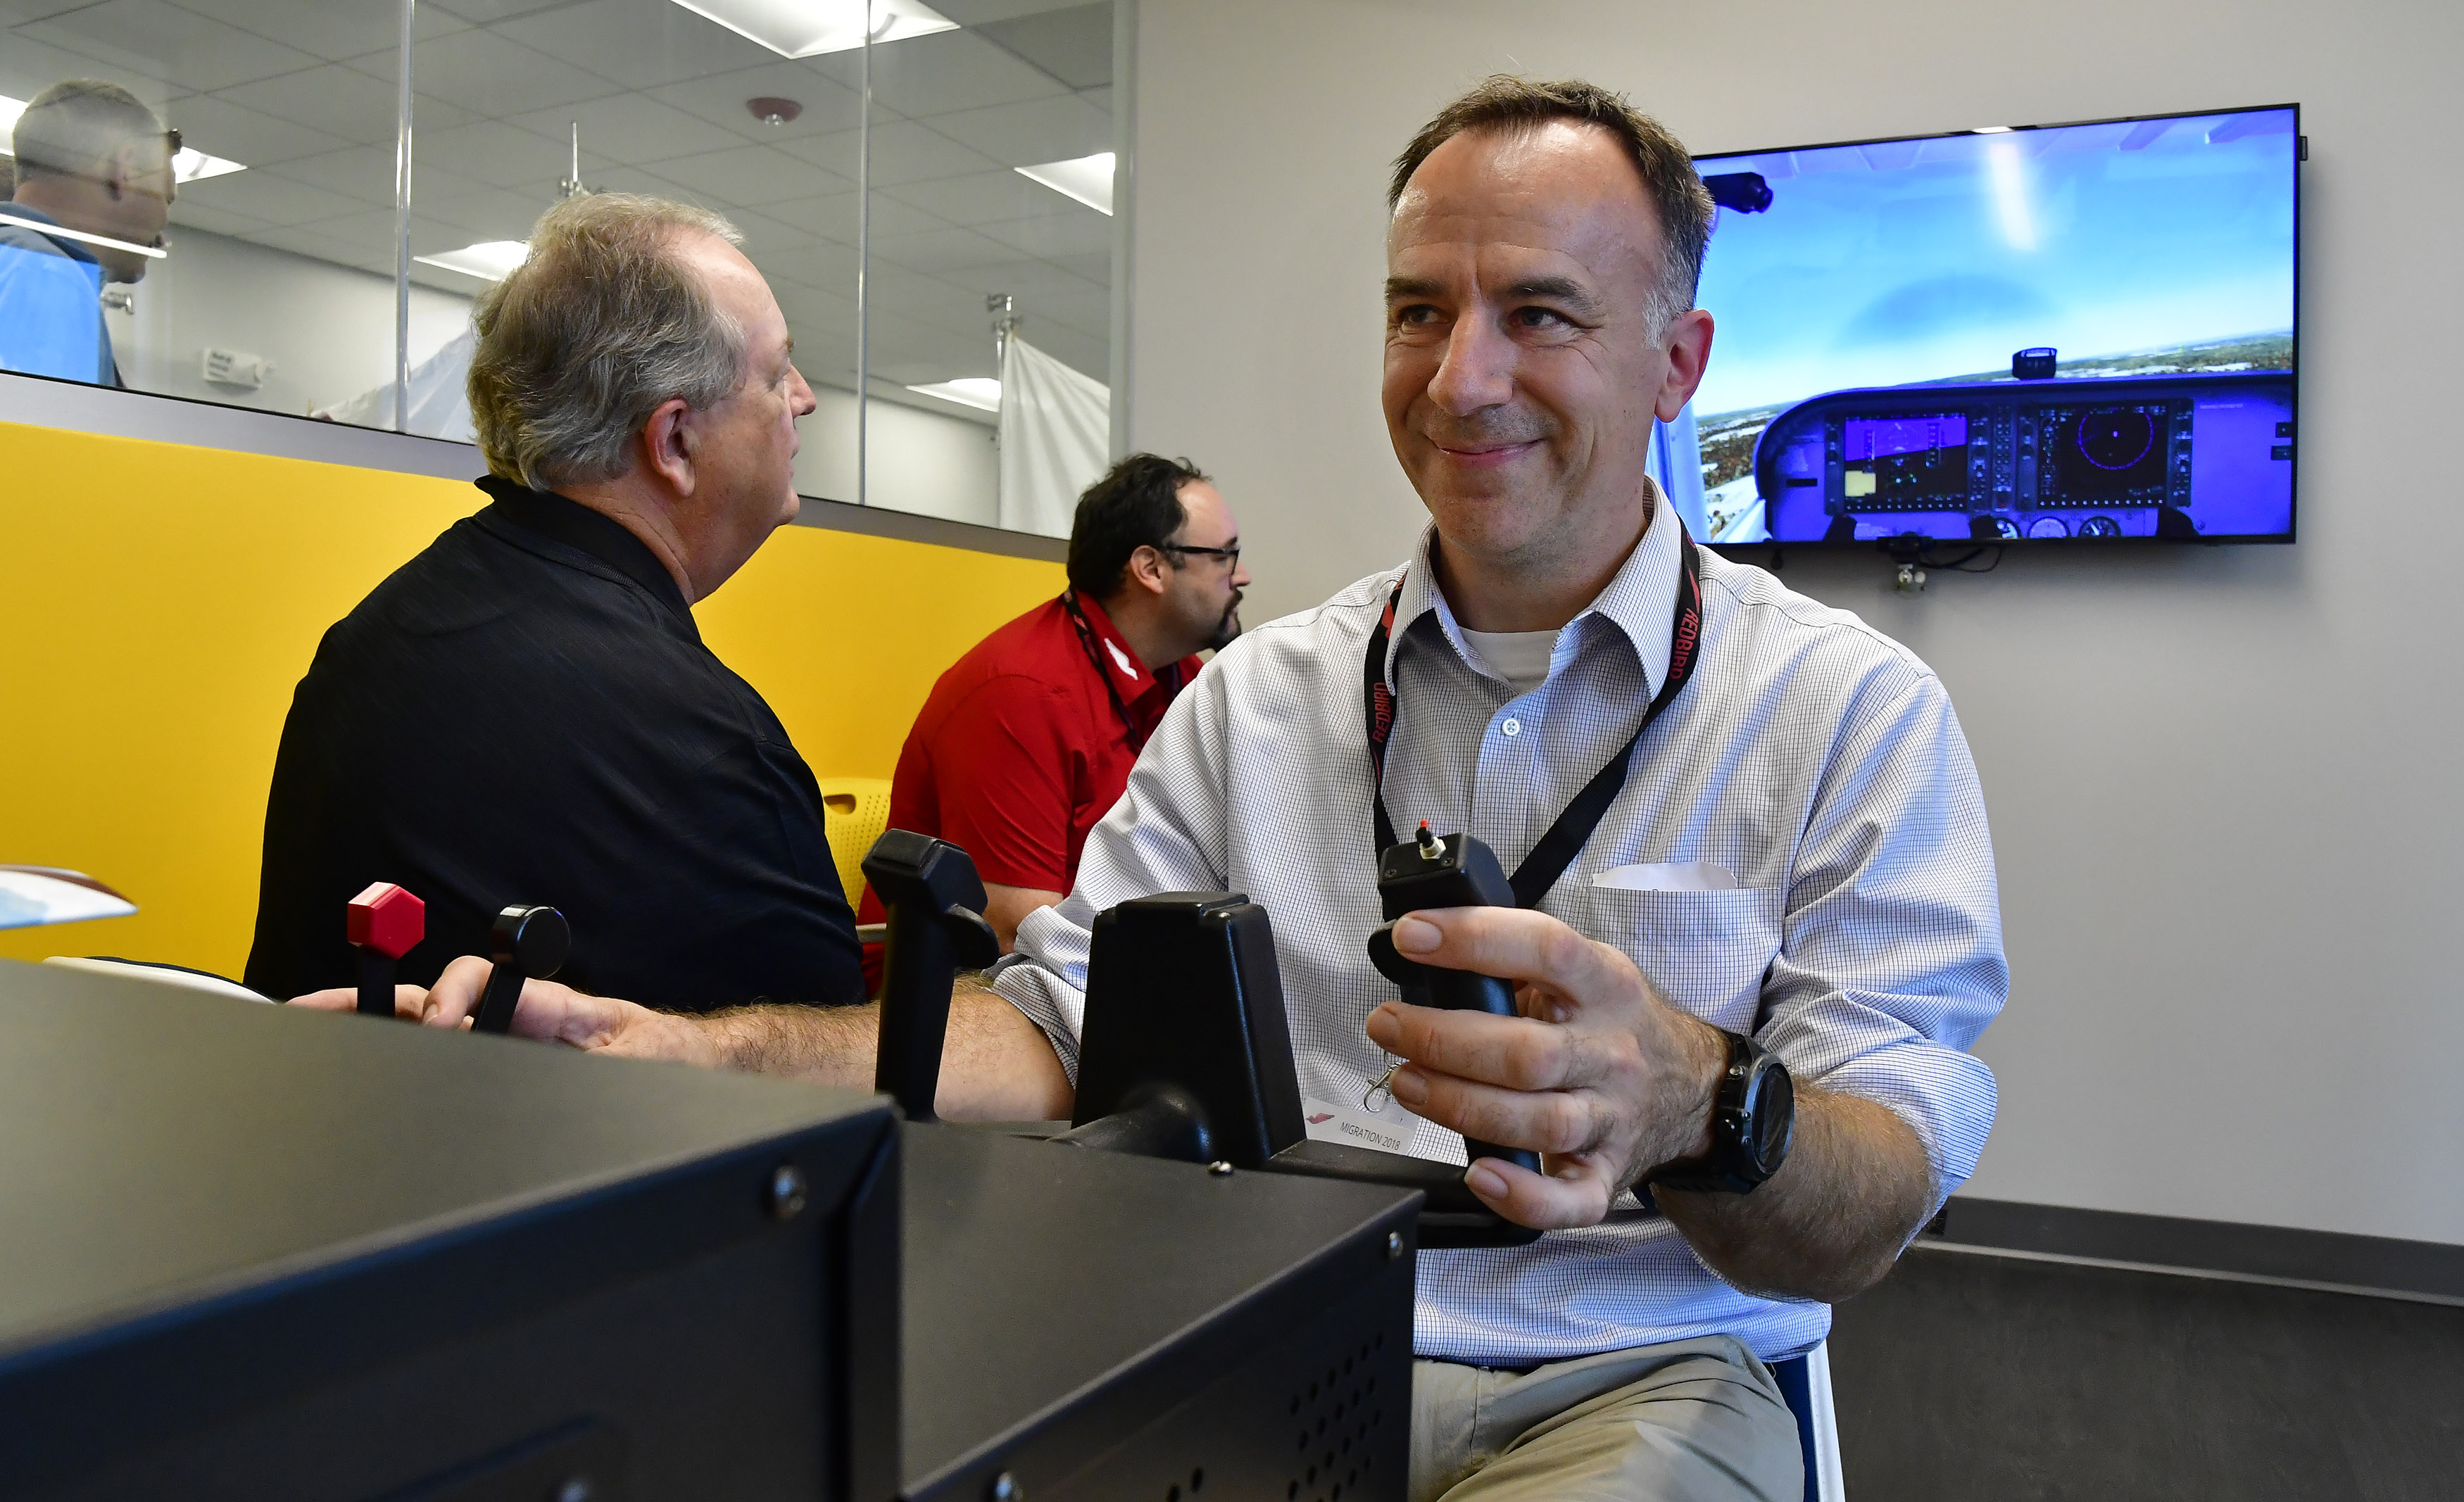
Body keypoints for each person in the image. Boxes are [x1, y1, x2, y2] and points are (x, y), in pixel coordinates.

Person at [384, 78, 2006, 1501]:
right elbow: (1057, 1020)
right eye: (1419, 312)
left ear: (1680, 360)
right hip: (1256, 1326)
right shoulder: (1261, 700)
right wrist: (686, 1049)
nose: (1459, 380)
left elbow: (1874, 1193)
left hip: (1634, 1370)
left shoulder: (1844, 714)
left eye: (1541, 313)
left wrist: (1695, 1097)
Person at [248, 192, 863, 1013]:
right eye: (775, 370)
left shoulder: (371, 638)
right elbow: (835, 1082)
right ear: (674, 440)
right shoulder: (704, 741)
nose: (804, 397)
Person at [857, 452, 1250, 972]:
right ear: (1151, 568)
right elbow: (1015, 938)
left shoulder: (1187, 679)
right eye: (1223, 556)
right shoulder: (1021, 694)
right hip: (956, 998)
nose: (1241, 575)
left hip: (1103, 970)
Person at [0, 80, 172, 386]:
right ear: (126, 171)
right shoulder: (48, 274)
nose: (164, 221)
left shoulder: (14, 258)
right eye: (166, 196)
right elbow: (47, 431)